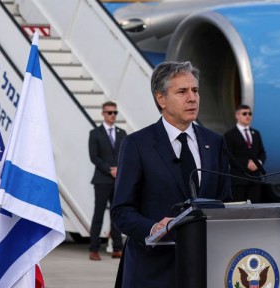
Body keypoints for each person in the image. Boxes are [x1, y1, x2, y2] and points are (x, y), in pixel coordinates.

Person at [111, 61, 231, 288]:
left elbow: (226, 202)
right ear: (161, 99)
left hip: (205, 269)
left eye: (195, 90)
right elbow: (121, 211)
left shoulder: (214, 143)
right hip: (153, 271)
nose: (192, 98)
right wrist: (153, 228)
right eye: (182, 92)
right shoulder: (138, 144)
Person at [88, 101, 126, 261]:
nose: (112, 115)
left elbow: (126, 154)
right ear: (103, 114)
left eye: (114, 113)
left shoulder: (122, 133)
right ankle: (94, 249)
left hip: (118, 180)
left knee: (116, 213)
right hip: (102, 180)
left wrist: (119, 168)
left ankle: (117, 248)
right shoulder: (95, 133)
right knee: (98, 214)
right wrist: (109, 169)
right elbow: (94, 157)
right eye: (109, 112)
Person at [224, 104, 267, 203]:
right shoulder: (229, 135)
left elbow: (262, 152)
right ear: (237, 115)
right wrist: (246, 164)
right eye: (244, 113)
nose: (248, 116)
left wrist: (258, 163)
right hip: (239, 180)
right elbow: (229, 156)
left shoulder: (256, 133)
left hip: (255, 180)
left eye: (250, 114)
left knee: (255, 208)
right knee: (239, 209)